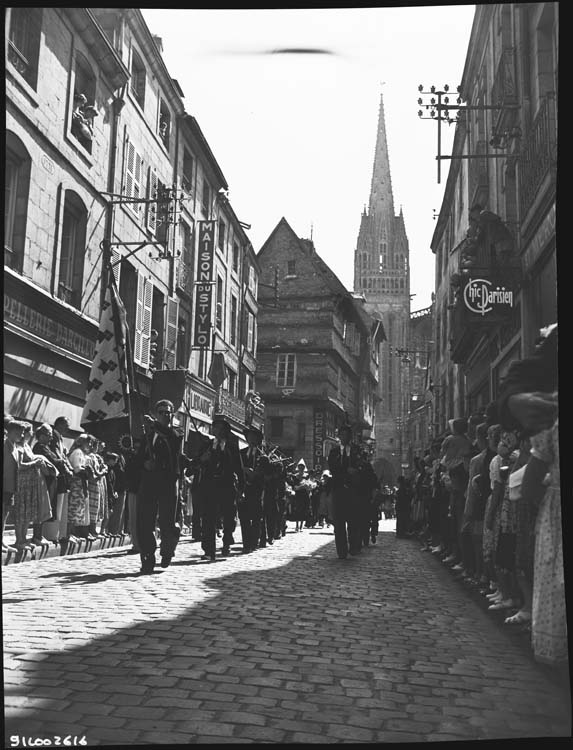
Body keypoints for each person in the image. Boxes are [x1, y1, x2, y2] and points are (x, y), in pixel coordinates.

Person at [134, 400, 189, 573]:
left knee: (168, 521)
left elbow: (171, 441)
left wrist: (155, 427)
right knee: (145, 520)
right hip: (149, 482)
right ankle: (148, 556)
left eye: (168, 412)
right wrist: (144, 464)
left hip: (168, 482)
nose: (165, 415)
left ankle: (167, 550)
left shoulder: (176, 433)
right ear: (156, 413)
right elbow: (138, 458)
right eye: (162, 412)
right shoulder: (147, 435)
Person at [193, 414, 243, 561]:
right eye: (216, 428)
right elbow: (195, 463)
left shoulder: (232, 447)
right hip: (209, 487)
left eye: (222, 429)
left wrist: (241, 488)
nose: (218, 431)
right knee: (208, 518)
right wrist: (203, 459)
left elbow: (238, 469)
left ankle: (227, 541)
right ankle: (208, 549)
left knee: (228, 518)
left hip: (226, 487)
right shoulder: (206, 445)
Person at [14, 423, 54, 547]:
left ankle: (24, 538)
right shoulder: (19, 446)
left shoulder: (27, 446)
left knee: (27, 513)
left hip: (30, 484)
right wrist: (35, 462)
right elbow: (19, 465)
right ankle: (19, 539)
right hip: (23, 483)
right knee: (21, 512)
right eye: (30, 432)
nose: (32, 434)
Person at [327, 420, 362, 559]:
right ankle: (341, 550)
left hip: (352, 490)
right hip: (338, 488)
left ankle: (353, 546)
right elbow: (333, 468)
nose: (344, 437)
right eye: (341, 435)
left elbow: (360, 465)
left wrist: (355, 470)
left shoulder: (356, 450)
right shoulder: (334, 451)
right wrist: (346, 471)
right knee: (339, 522)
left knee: (353, 521)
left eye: (346, 435)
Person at [239, 425, 265, 554]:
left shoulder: (262, 456)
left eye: (254, 437)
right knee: (244, 517)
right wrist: (244, 471)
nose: (251, 440)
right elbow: (236, 468)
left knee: (255, 517)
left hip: (257, 490)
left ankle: (254, 542)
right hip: (243, 489)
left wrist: (255, 474)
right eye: (249, 437)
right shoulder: (241, 453)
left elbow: (265, 473)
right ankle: (246, 544)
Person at [49, 416, 74, 541]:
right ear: (59, 424)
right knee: (56, 505)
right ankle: (54, 534)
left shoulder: (60, 438)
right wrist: (66, 470)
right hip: (56, 475)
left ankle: (60, 534)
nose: (68, 428)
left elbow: (63, 456)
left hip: (62, 475)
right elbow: (56, 457)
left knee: (61, 506)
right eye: (66, 425)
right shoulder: (53, 436)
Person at [3, 420, 26, 550]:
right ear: (11, 432)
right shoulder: (4, 444)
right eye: (19, 432)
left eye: (22, 433)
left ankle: (2, 542)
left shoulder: (15, 447)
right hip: (4, 485)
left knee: (4, 514)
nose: (21, 435)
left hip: (11, 487)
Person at [67, 434, 92, 542]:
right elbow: (77, 468)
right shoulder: (77, 452)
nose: (89, 445)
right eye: (88, 442)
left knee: (78, 508)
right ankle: (69, 532)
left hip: (81, 483)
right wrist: (86, 470)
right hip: (76, 482)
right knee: (73, 507)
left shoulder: (82, 453)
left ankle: (74, 532)